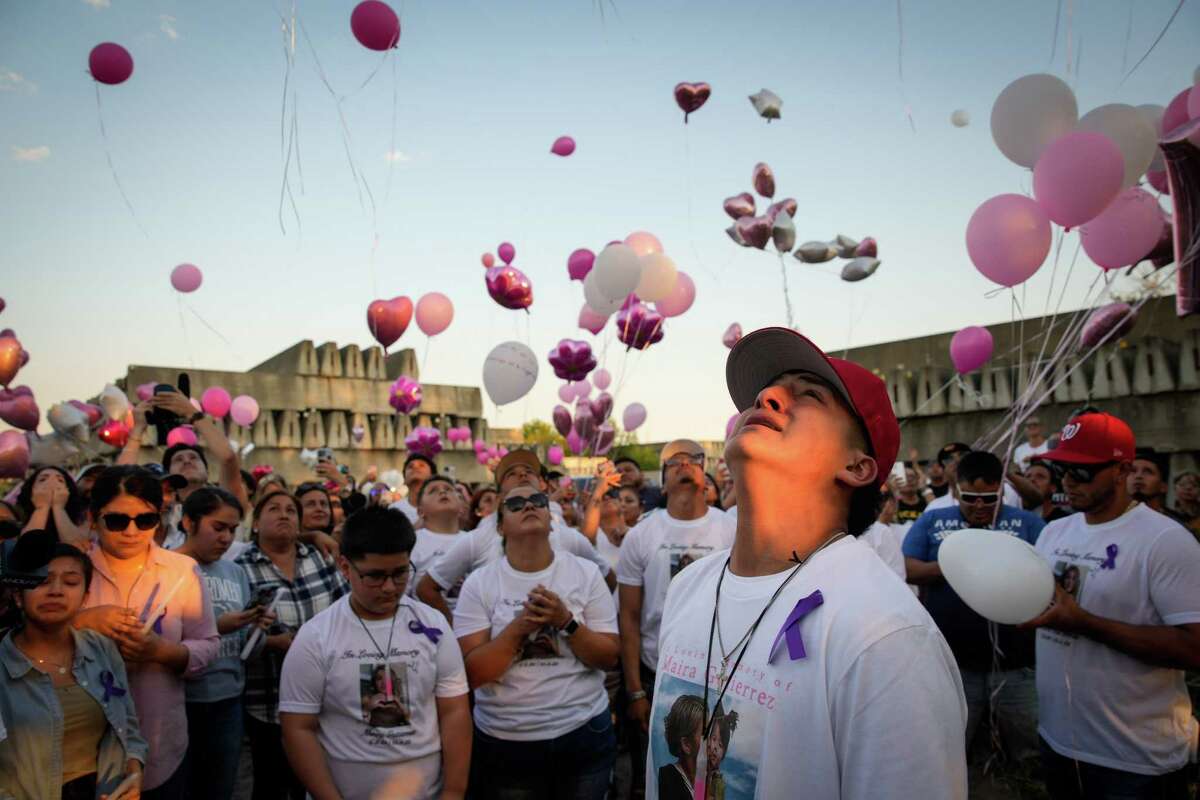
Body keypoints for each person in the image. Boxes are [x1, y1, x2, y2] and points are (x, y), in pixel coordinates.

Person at [647, 327, 967, 800]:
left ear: (857, 466)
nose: (767, 397)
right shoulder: (688, 587)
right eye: (766, 390)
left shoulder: (886, 637)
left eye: (811, 395)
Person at [1024, 413, 1200, 798]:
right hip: (1058, 743)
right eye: (1062, 469)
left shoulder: (1166, 541)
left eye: (1082, 471)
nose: (1068, 481)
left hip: (1135, 760)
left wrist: (1085, 623)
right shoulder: (1054, 532)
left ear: (1122, 470)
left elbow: (1194, 647)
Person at [279, 507, 471, 799]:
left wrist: (454, 791)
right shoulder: (316, 636)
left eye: (400, 573)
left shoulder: (433, 625)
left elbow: (454, 710)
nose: (390, 587)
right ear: (345, 567)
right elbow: (297, 728)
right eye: (375, 576)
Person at [454, 484, 619, 799]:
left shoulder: (585, 573)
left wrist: (566, 621)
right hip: (507, 742)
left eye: (538, 500)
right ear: (500, 527)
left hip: (582, 730)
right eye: (515, 504)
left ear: (551, 519)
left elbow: (609, 657)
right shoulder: (479, 583)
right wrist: (518, 629)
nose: (528, 506)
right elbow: (473, 674)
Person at [74, 466, 219, 799]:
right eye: (116, 520)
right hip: (83, 747)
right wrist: (83, 622)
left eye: (145, 520)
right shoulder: (74, 569)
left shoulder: (181, 571)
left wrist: (161, 651)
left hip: (161, 738)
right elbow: (32, 636)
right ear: (93, 518)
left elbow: (208, 644)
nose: (131, 531)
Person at [902, 450, 1045, 763]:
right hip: (954, 662)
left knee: (1030, 752)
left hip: (1016, 663)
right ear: (956, 490)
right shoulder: (933, 520)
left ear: (1001, 491)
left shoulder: (1028, 523)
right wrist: (957, 564)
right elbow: (908, 568)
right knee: (951, 747)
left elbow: (1050, 575)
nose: (979, 506)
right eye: (969, 498)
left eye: (989, 499)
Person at [617, 439, 736, 799]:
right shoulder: (641, 535)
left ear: (705, 473)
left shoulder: (732, 529)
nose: (684, 464)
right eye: (674, 460)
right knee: (656, 772)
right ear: (662, 480)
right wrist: (636, 690)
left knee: (718, 776)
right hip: (658, 673)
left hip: (720, 673)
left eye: (693, 458)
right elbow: (629, 616)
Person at [0, 534, 148, 800]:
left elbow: (128, 725)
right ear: (18, 596)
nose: (56, 591)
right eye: (42, 580)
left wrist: (133, 772)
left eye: (70, 582)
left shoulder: (102, 649)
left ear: (85, 597)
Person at [236, 491, 348, 800]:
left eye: (290, 510)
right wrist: (272, 642)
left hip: (325, 697)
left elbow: (346, 609)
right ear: (255, 523)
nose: (284, 514)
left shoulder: (320, 557)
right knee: (269, 786)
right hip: (267, 699)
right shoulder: (240, 567)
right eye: (274, 509)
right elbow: (234, 636)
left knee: (317, 783)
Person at [415, 450, 615, 624]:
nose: (522, 474)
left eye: (529, 471)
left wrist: (588, 625)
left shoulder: (568, 536)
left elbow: (607, 578)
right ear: (500, 495)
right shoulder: (478, 538)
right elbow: (426, 588)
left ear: (542, 485)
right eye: (511, 474)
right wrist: (456, 630)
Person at [175, 487, 274, 800]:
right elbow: (158, 639)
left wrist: (255, 628)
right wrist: (218, 626)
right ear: (188, 522)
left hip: (229, 698)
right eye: (218, 527)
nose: (226, 538)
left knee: (220, 788)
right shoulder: (167, 568)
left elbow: (246, 649)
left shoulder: (235, 572)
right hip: (181, 700)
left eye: (232, 530)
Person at [119, 388, 252, 525]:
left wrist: (191, 413)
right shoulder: (159, 514)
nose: (187, 461)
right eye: (178, 460)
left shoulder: (225, 503)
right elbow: (118, 479)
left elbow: (228, 458)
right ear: (168, 475)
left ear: (207, 472)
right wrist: (138, 428)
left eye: (194, 457)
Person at [409, 476, 468, 613]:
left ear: (461, 508)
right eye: (433, 491)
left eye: (449, 489)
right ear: (420, 511)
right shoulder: (412, 542)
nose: (442, 492)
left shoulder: (474, 539)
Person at [16, 466, 90, 545]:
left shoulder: (83, 517)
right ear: (32, 489)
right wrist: (42, 507)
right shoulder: (18, 515)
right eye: (43, 479)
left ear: (68, 490)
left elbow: (77, 547)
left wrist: (59, 507)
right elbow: (27, 547)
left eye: (60, 480)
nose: (52, 482)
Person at [657, 694, 704, 800]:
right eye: (705, 733)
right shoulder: (667, 777)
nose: (712, 742)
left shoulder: (699, 780)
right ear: (686, 744)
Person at [1128, 448, 1192, 526]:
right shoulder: (1115, 518)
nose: (1138, 476)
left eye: (1148, 471)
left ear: (1163, 486)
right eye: (1132, 471)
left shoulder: (1178, 524)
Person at [390, 454, 436, 525]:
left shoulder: (444, 507)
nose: (415, 467)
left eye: (421, 465)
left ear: (432, 477)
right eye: (410, 466)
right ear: (404, 480)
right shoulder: (394, 509)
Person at [1026, 458, 1073, 523]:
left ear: (1053, 488)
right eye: (1028, 476)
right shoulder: (1015, 516)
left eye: (1040, 477)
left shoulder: (1065, 521)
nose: (1032, 479)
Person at [1172, 471, 1200, 536]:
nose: (1188, 488)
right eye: (1182, 484)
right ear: (1175, 488)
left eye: (1194, 485)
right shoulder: (1167, 513)